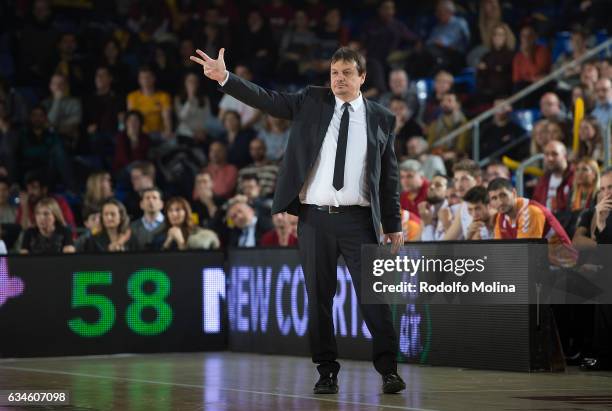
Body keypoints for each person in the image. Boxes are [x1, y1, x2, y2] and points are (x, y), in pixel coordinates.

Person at [191, 46, 405, 393]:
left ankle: (389, 370)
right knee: (319, 299)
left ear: (362, 77)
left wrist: (393, 222)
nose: (339, 79)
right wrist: (226, 78)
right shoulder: (312, 101)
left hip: (360, 222)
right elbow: (268, 99)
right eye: (334, 72)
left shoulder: (382, 117)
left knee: (374, 298)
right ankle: (326, 371)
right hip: (315, 220)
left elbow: (389, 176)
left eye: (347, 73)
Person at [487, 177, 576, 267]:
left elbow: (524, 254)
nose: (500, 202)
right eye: (494, 198)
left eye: (503, 195)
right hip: (542, 266)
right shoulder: (501, 216)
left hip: (564, 267)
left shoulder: (531, 211)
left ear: (514, 193)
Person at [443, 159, 487, 240]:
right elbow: (447, 241)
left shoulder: (489, 203)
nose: (459, 185)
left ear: (478, 181)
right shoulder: (464, 205)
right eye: (456, 180)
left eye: (464, 179)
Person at [154, 196, 219, 250]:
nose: (173, 214)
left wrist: (180, 241)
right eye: (170, 210)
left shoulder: (201, 235)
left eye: (178, 210)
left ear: (186, 212)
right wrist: (167, 242)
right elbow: (156, 261)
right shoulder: (159, 237)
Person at [126, 66, 172, 139]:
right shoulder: (132, 96)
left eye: (147, 77)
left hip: (159, 133)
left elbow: (166, 116)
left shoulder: (163, 96)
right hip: (140, 134)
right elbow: (131, 118)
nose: (145, 80)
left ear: (153, 79)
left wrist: (168, 131)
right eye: (142, 78)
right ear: (139, 80)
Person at [532, 140, 574, 215]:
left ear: (565, 156)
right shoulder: (543, 180)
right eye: (546, 154)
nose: (550, 158)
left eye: (554, 154)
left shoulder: (576, 177)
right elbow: (535, 205)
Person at [419, 175, 451, 241]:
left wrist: (428, 224)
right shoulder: (426, 212)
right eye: (430, 184)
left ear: (448, 191)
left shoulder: (452, 211)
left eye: (438, 185)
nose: (431, 187)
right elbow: (419, 241)